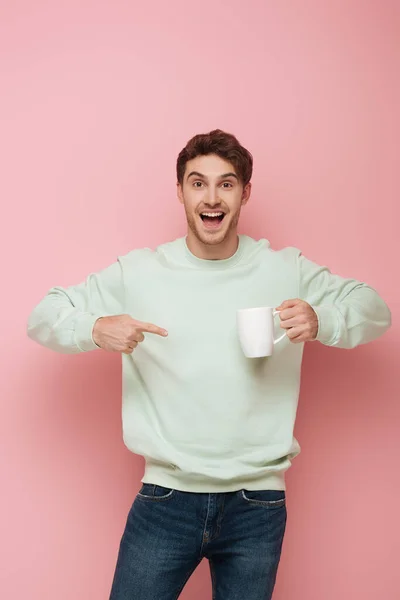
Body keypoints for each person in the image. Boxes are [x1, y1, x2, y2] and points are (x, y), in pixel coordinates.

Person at [27, 129, 391, 600]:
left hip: (258, 503)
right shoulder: (140, 272)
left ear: (245, 193)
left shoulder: (284, 269)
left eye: (227, 183)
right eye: (198, 183)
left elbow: (375, 308)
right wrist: (96, 328)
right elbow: (44, 314)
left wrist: (324, 319)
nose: (212, 197)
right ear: (179, 191)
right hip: (165, 499)